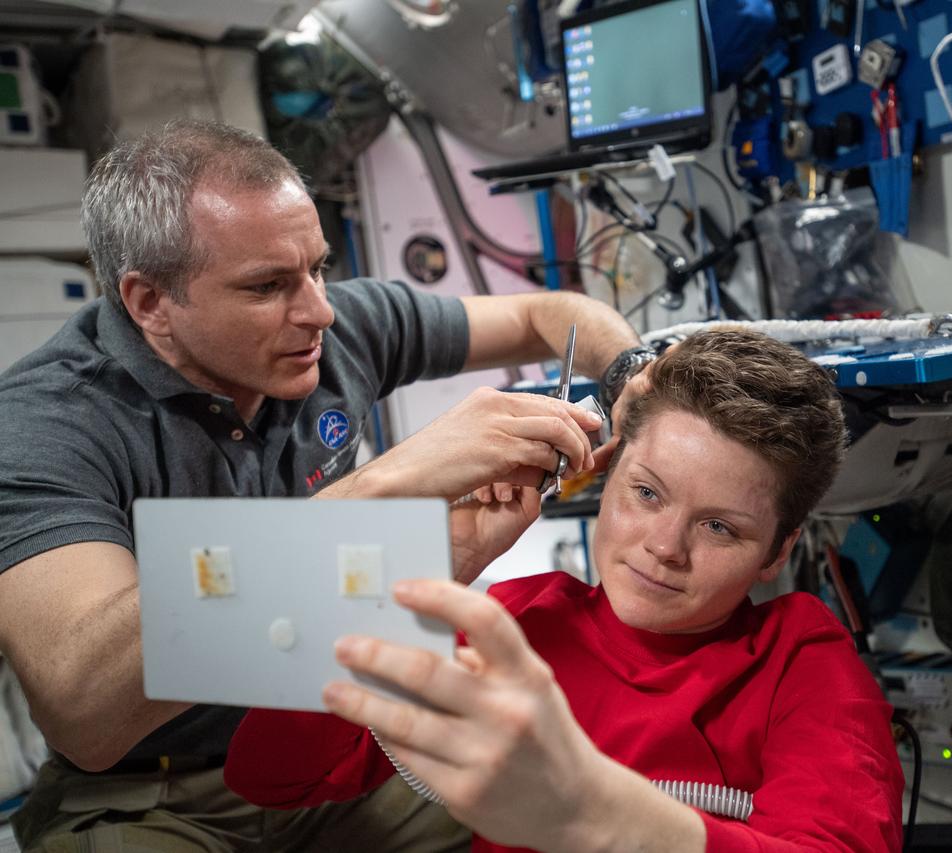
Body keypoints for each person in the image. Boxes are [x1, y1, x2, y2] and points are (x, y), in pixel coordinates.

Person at [0, 118, 658, 852]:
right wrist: (386, 488)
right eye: (268, 286)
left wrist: (633, 372)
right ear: (150, 302)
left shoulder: (336, 332)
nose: (321, 310)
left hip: (339, 739)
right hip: (153, 795)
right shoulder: (46, 423)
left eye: (318, 268)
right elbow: (83, 711)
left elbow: (550, 313)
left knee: (565, 819)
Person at [225, 329, 905, 852]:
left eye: (719, 527)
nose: (665, 546)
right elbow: (272, 774)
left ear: (777, 551)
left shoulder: (800, 661)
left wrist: (598, 811)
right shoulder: (519, 624)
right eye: (647, 493)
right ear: (605, 473)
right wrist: (450, 559)